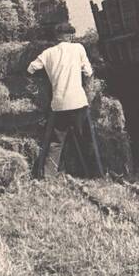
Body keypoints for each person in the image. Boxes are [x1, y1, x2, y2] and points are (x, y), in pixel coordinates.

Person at [27, 22, 95, 176]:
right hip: (78, 102)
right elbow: (88, 72)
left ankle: (48, 174)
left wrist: (47, 77)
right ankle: (89, 173)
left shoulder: (48, 53)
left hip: (59, 104)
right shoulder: (78, 48)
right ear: (70, 36)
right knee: (83, 138)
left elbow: (30, 68)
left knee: (56, 142)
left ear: (57, 37)